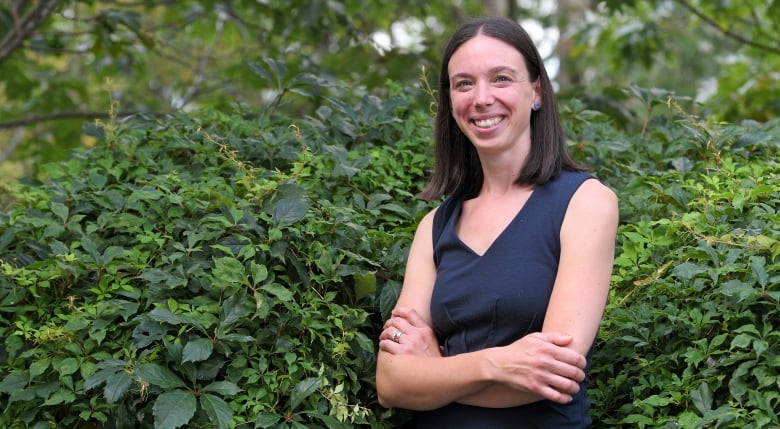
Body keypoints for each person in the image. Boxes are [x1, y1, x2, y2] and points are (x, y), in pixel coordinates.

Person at [375, 16, 619, 428]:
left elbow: (551, 375)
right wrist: (498, 363)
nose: (482, 98)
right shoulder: (434, 227)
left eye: (501, 78)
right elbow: (391, 384)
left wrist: (436, 368)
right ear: (451, 101)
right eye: (464, 83)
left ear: (536, 92)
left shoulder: (585, 203)